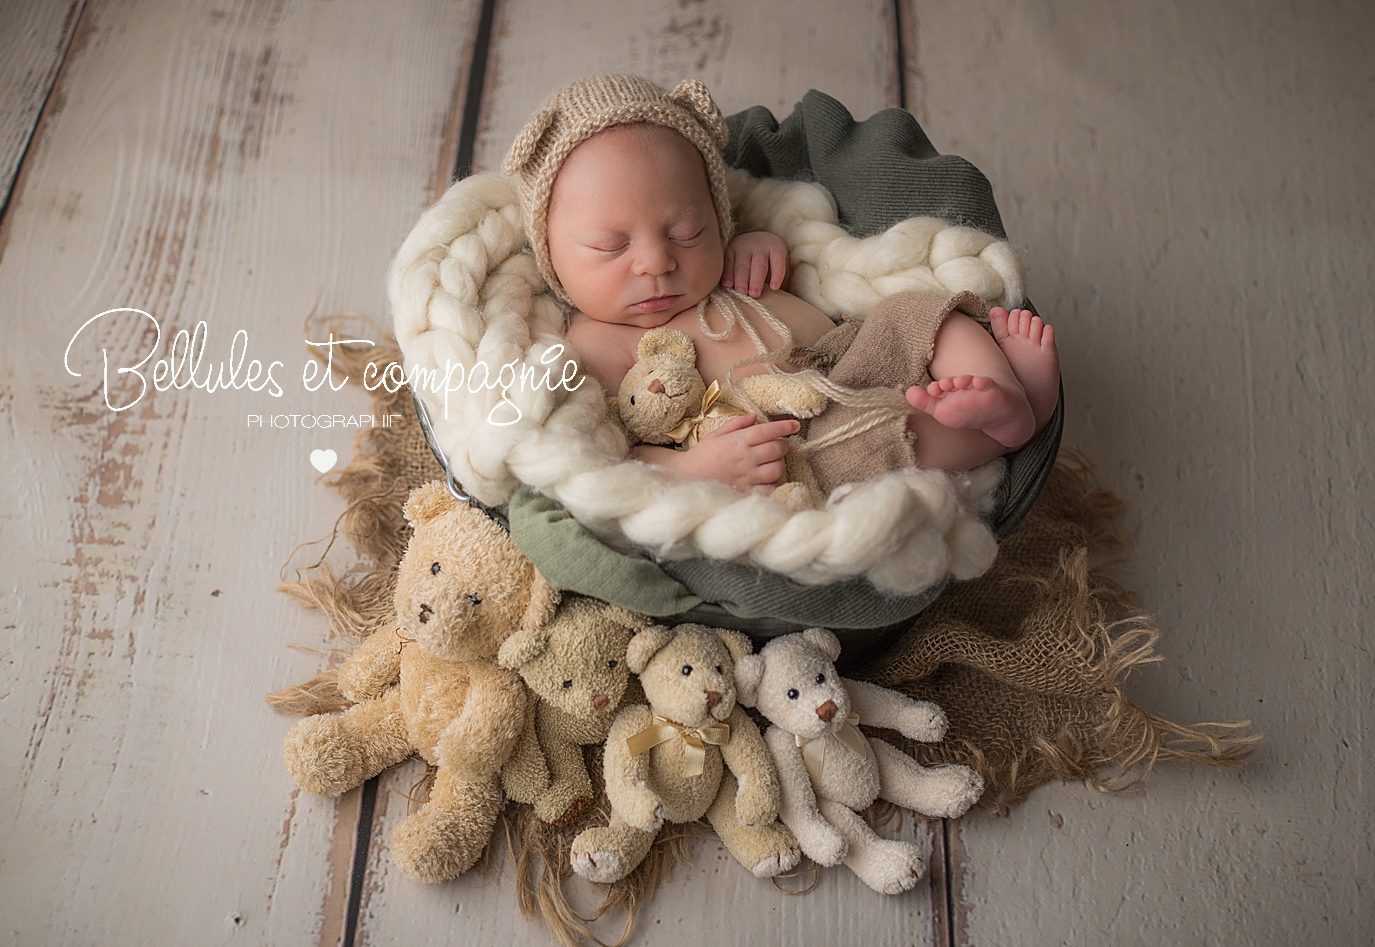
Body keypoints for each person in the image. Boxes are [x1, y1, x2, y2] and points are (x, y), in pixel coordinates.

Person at [502, 73, 1058, 495]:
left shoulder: (720, 260)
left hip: (844, 353)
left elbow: (786, 279)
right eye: (611, 246)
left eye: (686, 231)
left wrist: (759, 248)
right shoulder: (587, 345)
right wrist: (694, 467)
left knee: (917, 312)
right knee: (869, 446)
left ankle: (993, 386)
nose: (656, 262)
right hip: (793, 435)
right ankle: (1001, 432)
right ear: (550, 253)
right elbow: (605, 457)